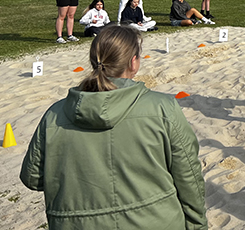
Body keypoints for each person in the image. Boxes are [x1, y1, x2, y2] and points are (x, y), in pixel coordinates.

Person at [19, 25, 208, 229]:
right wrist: (197, 224)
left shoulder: (54, 115)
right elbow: (188, 176)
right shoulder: (163, 108)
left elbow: (33, 178)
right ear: (133, 62)